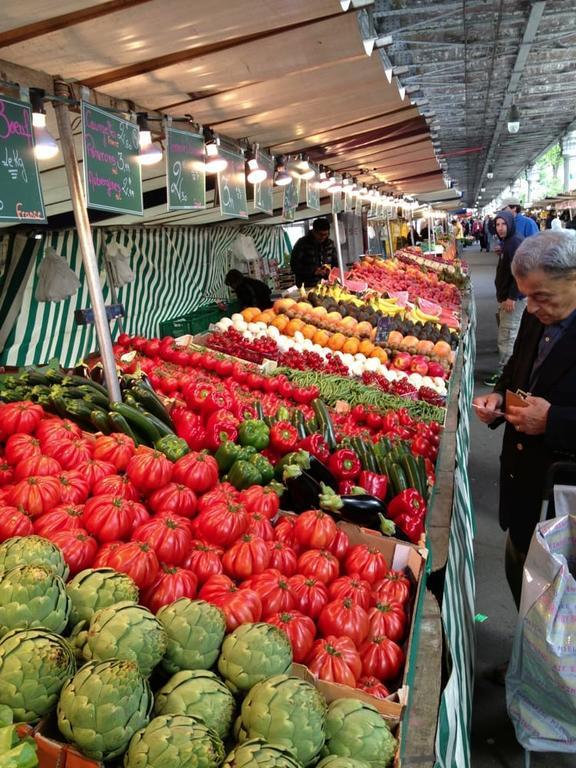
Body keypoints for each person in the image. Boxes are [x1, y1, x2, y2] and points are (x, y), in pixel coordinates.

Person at [473, 231, 576, 619]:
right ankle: (526, 661)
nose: (530, 308)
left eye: (541, 296)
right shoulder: (540, 317)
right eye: (526, 295)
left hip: (565, 499)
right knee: (522, 576)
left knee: (563, 605)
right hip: (525, 486)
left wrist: (553, 421)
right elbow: (519, 367)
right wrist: (500, 395)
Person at [483, 210, 525, 387]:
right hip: (508, 297)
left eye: (503, 224)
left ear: (510, 224)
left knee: (507, 336)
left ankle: (504, 376)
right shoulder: (509, 242)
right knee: (509, 333)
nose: (500, 228)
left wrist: (512, 297)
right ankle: (511, 370)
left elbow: (520, 272)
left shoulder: (514, 242)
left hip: (512, 299)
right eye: (497, 224)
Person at [290, 218, 338, 288]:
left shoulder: (330, 244)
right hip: (307, 286)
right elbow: (294, 266)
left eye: (326, 234)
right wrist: (313, 271)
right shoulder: (302, 243)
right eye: (320, 234)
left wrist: (331, 271)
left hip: (327, 285)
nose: (323, 237)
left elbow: (335, 264)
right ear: (313, 231)